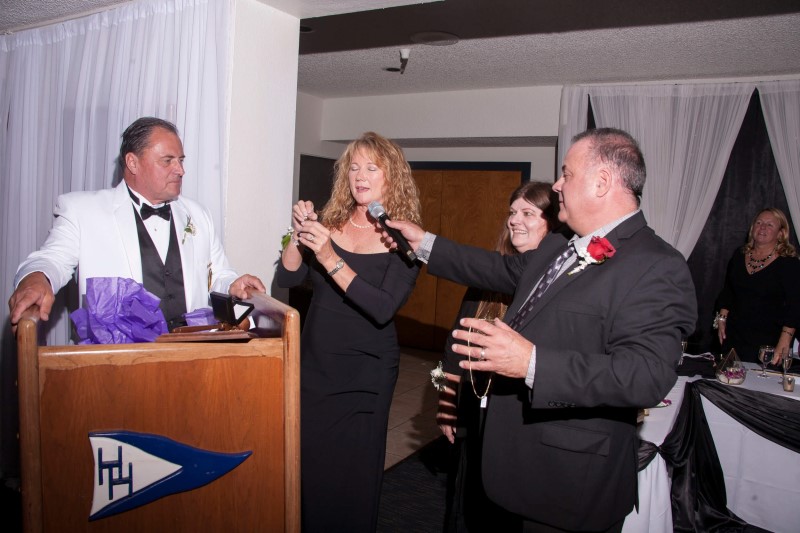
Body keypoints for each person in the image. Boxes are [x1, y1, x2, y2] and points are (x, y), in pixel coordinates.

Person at [383, 128, 697, 532]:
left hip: (567, 483)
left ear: (602, 182)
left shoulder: (657, 265)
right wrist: (424, 243)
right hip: (511, 461)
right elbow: (497, 269)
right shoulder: (559, 244)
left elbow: (646, 375)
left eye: (567, 173)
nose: (558, 185)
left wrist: (532, 363)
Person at [275, 131, 422, 533]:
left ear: (392, 176)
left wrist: (328, 256)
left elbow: (382, 307)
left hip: (365, 373)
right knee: (309, 464)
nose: (360, 176)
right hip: (316, 364)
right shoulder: (331, 221)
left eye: (372, 168)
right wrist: (300, 233)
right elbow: (287, 278)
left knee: (352, 473)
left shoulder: (404, 237)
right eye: (354, 167)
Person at [9, 116, 265, 332]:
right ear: (132, 162)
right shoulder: (81, 211)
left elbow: (218, 274)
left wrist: (232, 284)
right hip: (117, 362)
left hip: (191, 355)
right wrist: (37, 278)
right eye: (168, 160)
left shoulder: (199, 215)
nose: (180, 170)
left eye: (181, 160)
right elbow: (51, 259)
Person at [438, 181, 561, 532]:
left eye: (528, 213)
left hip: (523, 419)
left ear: (551, 225)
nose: (514, 220)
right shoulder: (487, 277)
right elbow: (449, 352)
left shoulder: (559, 288)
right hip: (474, 412)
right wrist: (444, 400)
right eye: (512, 212)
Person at [715, 208, 800, 364]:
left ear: (781, 233)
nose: (762, 227)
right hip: (734, 336)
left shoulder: (789, 263)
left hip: (768, 341)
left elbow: (796, 305)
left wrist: (785, 339)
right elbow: (728, 291)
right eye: (759, 223)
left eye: (769, 225)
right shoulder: (739, 255)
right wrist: (721, 318)